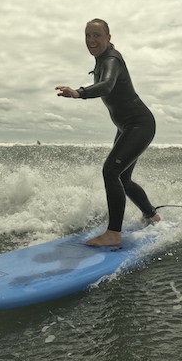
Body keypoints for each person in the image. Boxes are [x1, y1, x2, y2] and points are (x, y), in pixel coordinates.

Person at [55, 19, 160, 247]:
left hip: (139, 124)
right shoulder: (102, 60)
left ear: (108, 38)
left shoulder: (111, 59)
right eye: (87, 35)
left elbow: (107, 84)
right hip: (127, 126)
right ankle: (151, 216)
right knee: (122, 177)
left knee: (111, 171)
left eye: (97, 35)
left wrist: (78, 92)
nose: (91, 40)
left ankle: (113, 233)